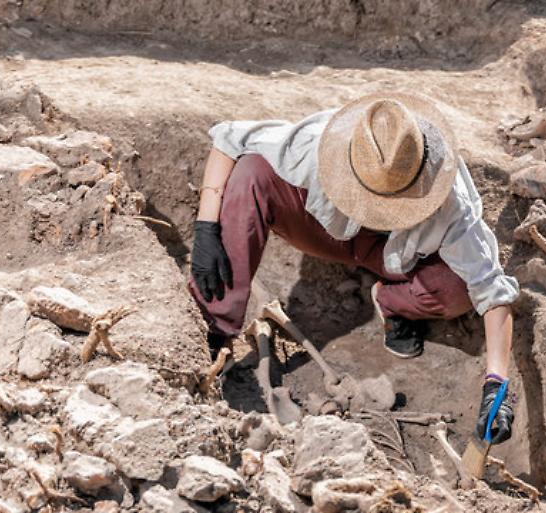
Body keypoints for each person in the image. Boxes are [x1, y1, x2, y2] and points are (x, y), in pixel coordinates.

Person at [188, 93, 518, 445]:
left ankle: (391, 302)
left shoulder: (450, 199)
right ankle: (215, 334)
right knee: (252, 172)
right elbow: (228, 139)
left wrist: (495, 386)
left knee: (457, 289)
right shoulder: (317, 143)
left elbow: (491, 289)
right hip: (322, 232)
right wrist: (206, 226)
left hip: (397, 256)